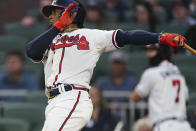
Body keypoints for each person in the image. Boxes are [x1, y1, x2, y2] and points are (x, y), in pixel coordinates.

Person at [25, 0, 186, 130]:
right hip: (53, 102)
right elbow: (31, 51)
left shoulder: (91, 36)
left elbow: (126, 36)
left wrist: (160, 37)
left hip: (72, 97)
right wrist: (59, 27)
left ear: (71, 14)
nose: (50, 16)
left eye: (55, 11)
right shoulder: (51, 39)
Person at [131, 44, 193, 131]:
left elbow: (135, 97)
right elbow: (186, 100)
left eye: (152, 50)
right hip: (184, 126)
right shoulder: (177, 72)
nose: (147, 54)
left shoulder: (151, 72)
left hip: (165, 126)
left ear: (161, 52)